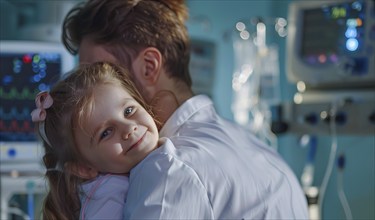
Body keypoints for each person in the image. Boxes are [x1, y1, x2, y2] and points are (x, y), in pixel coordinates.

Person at [62, 0, 309, 219]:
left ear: (149, 67)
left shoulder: (168, 170)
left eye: (101, 72)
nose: (88, 90)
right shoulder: (260, 151)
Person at [31, 62, 173, 219]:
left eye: (129, 110)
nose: (128, 128)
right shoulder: (108, 196)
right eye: (106, 133)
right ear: (83, 168)